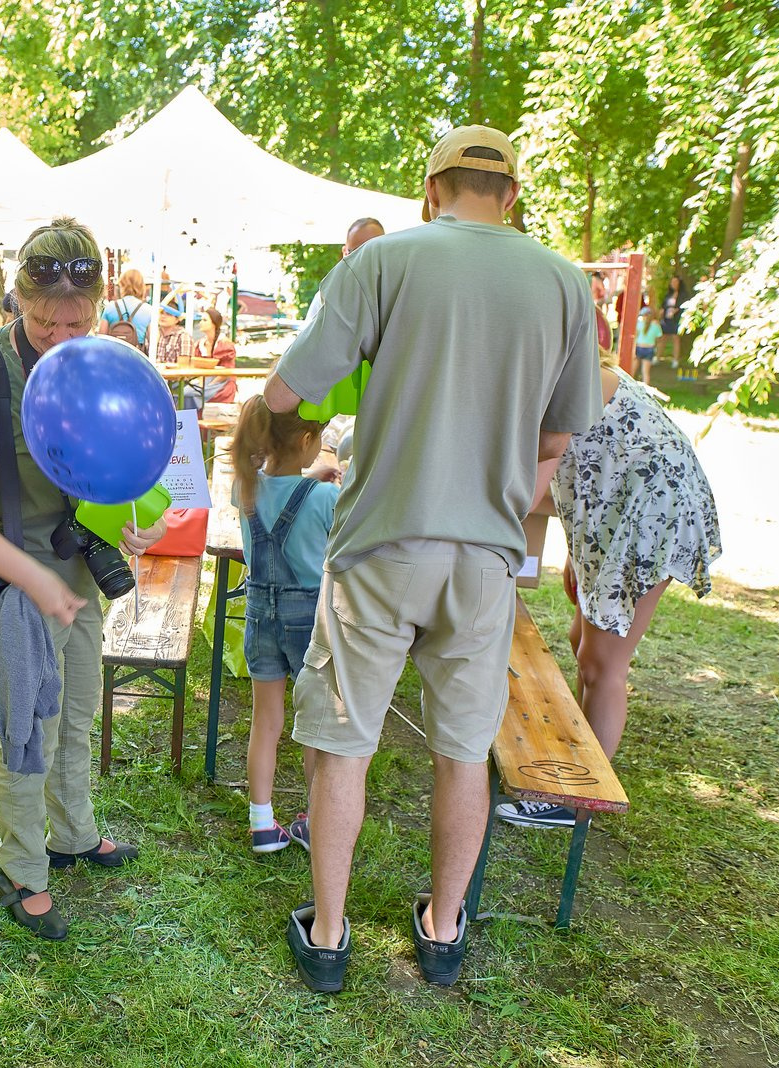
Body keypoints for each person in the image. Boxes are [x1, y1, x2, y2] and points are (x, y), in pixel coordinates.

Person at [263, 125, 600, 991]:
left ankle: (331, 935)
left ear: (431, 188)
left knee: (344, 744)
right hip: (486, 554)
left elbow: (284, 392)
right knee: (463, 753)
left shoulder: (382, 263)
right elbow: (560, 438)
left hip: (379, 541)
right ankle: (444, 931)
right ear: (511, 196)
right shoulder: (564, 282)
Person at [0, 218, 166, 941]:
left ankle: (73, 835)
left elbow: (112, 464)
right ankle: (23, 870)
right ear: (17, 307)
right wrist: (26, 577)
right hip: (18, 586)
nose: (63, 333)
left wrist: (134, 517)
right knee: (28, 732)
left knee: (78, 716)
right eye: (43, 321)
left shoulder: (101, 357)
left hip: (79, 577)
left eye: (77, 318)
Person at [498, 350, 720, 828]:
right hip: (624, 512)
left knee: (602, 664)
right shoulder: (573, 377)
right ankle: (579, 755)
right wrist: (580, 556)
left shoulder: (572, 383)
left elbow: (530, 488)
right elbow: (589, 472)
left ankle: (576, 798)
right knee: (584, 645)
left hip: (649, 516)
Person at [229, 398, 338, 853]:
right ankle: (315, 820)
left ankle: (261, 823)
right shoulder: (328, 498)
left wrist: (307, 479)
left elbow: (282, 494)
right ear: (308, 441)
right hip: (308, 618)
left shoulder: (245, 489)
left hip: (259, 613)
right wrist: (318, 484)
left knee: (265, 721)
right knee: (314, 723)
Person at [182, 307, 239, 411]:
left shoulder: (224, 344)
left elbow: (225, 373)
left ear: (214, 323)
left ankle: (191, 424)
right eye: (201, 320)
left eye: (205, 320)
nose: (201, 323)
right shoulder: (201, 343)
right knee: (181, 394)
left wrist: (207, 385)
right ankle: (185, 424)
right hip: (203, 381)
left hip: (221, 384)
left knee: (187, 395)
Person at [98, 267, 153, 350]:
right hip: (137, 356)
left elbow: (101, 338)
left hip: (114, 355)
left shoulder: (110, 307)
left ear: (122, 285)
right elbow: (152, 341)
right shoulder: (148, 310)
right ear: (141, 286)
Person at [659, 275, 686, 368]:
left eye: (675, 282)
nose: (673, 284)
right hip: (667, 319)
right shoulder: (668, 295)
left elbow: (684, 306)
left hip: (676, 319)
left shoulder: (683, 295)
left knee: (675, 339)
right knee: (663, 338)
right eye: (672, 282)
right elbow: (664, 305)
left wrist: (677, 310)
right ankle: (657, 357)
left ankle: (675, 360)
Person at [634, 306, 662, 386]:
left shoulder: (639, 324)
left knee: (632, 370)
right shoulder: (656, 326)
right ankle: (646, 390)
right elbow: (659, 338)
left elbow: (636, 336)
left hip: (639, 347)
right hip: (649, 348)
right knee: (645, 372)